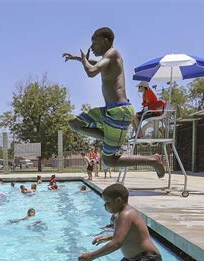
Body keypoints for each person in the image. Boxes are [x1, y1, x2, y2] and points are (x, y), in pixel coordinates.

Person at [63, 27, 165, 178]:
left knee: (109, 160)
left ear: (105, 41)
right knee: (74, 124)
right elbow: (94, 63)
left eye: (95, 44)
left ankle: (153, 160)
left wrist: (83, 60)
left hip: (119, 112)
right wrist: (78, 59)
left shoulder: (113, 53)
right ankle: (107, 137)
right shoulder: (109, 59)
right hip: (109, 110)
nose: (92, 47)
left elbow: (91, 71)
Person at [78, 183, 162, 261]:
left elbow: (117, 243)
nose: (105, 206)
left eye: (107, 202)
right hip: (131, 260)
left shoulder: (126, 214)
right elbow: (128, 234)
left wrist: (92, 256)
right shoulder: (121, 214)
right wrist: (108, 237)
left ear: (118, 200)